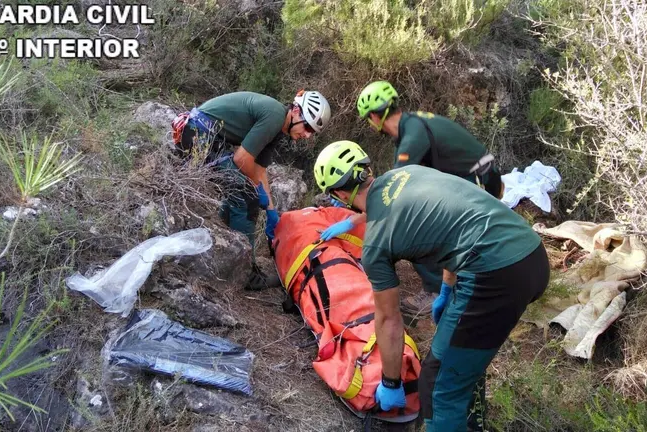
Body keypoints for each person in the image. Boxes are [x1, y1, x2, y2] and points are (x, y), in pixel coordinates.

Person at [313, 140, 549, 432]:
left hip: (494, 274)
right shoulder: (410, 173)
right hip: (533, 255)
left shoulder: (375, 243)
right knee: (460, 358)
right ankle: (471, 424)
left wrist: (390, 382)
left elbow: (388, 320)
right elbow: (457, 220)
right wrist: (447, 289)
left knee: (437, 385)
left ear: (338, 194)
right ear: (367, 168)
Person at [321, 80, 503, 313]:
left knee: (410, 229)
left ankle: (437, 289)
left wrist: (351, 221)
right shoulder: (412, 124)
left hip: (477, 184)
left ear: (374, 118)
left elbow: (392, 201)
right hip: (479, 178)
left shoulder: (411, 139)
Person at [172, 90, 331, 289]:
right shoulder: (274, 116)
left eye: (312, 132)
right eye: (307, 126)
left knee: (244, 193)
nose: (307, 134)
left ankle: (226, 248)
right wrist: (257, 191)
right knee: (246, 197)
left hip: (203, 135)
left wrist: (271, 211)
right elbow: (241, 159)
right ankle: (247, 273)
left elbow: (259, 170)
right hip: (197, 135)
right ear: (296, 111)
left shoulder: (278, 126)